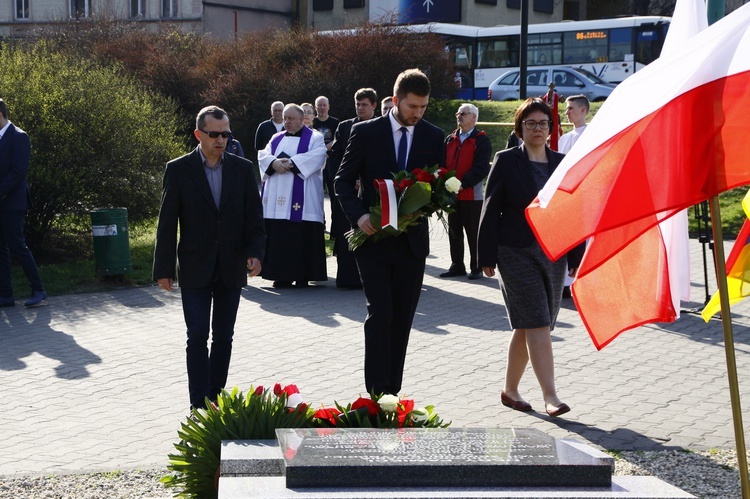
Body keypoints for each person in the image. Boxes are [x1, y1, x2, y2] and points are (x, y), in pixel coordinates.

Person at [335, 69, 445, 396]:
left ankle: (391, 396)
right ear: (395, 101)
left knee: (402, 319)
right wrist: (358, 217)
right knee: (380, 314)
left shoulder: (432, 136)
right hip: (373, 241)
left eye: (423, 107)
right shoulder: (366, 132)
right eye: (412, 106)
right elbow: (341, 181)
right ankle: (375, 394)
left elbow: (436, 187)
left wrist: (422, 207)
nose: (418, 113)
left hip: (412, 244)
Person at [153, 105, 266, 411]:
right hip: (194, 265)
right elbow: (167, 222)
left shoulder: (242, 169)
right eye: (214, 134)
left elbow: (255, 218)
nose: (221, 139)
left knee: (224, 337)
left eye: (225, 133)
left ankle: (215, 397)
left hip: (231, 265)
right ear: (198, 134)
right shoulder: (178, 169)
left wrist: (255, 253)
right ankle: (198, 403)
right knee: (197, 336)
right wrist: (163, 268)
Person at [477, 98, 583, 418]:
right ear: (520, 128)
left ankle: (510, 390)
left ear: (552, 128)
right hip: (515, 252)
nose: (537, 129)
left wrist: (576, 253)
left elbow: (570, 212)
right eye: (530, 123)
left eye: (543, 123)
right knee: (537, 321)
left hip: (553, 254)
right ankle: (551, 395)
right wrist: (486, 255)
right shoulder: (506, 160)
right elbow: (490, 208)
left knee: (529, 325)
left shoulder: (562, 162)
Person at [258, 104, 328, 288]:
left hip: (303, 200)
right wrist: (273, 163)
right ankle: (280, 275)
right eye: (285, 118)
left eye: (290, 118)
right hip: (276, 198)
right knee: (280, 235)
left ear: (301, 119)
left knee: (300, 237)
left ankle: (303, 274)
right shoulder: (276, 137)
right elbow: (263, 155)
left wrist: (289, 164)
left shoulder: (315, 137)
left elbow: (318, 156)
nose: (286, 121)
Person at [328, 88, 378, 289]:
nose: (360, 108)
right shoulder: (344, 126)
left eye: (364, 104)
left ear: (374, 106)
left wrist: (363, 179)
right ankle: (348, 278)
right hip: (349, 191)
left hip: (371, 190)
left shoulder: (380, 126)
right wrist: (350, 179)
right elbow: (337, 156)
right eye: (357, 104)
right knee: (346, 231)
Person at [0, 98, 47, 308]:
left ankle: (38, 289)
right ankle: (6, 295)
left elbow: (18, 172)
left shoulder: (19, 137)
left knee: (17, 245)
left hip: (13, 202)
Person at [440, 103, 491, 281]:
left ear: (474, 118)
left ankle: (476, 266)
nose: (459, 116)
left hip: (472, 195)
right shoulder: (450, 139)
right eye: (458, 113)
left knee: (473, 232)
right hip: (452, 195)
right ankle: (457, 265)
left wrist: (464, 183)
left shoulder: (481, 140)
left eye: (464, 113)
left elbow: (482, 168)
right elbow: (443, 164)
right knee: (454, 230)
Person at [557, 94, 589, 298]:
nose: (566, 112)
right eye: (566, 109)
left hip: (585, 193)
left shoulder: (593, 134)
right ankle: (567, 281)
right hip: (567, 194)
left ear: (583, 110)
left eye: (571, 108)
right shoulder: (564, 138)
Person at [313, 96, 340, 210]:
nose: (322, 108)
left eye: (324, 105)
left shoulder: (336, 123)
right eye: (320, 105)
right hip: (316, 163)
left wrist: (326, 147)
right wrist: (322, 149)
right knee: (316, 194)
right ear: (315, 107)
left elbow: (338, 140)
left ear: (328, 106)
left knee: (334, 194)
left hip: (331, 163)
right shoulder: (312, 122)